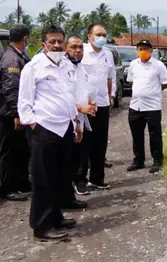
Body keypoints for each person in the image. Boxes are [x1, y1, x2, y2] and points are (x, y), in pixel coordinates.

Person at [17, 25, 88, 242]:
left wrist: (76, 122)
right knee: (43, 180)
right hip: (45, 130)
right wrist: (34, 126)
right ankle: (41, 226)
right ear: (43, 44)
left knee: (59, 177)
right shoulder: (34, 68)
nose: (56, 45)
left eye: (59, 41)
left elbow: (69, 97)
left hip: (64, 128)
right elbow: (25, 102)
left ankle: (56, 217)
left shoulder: (65, 65)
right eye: (52, 42)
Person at [75, 23, 116, 195]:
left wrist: (111, 95)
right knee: (84, 143)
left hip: (103, 104)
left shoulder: (108, 53)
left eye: (104, 34)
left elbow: (111, 76)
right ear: (89, 36)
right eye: (98, 34)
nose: (102, 37)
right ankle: (80, 180)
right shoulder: (81, 52)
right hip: (86, 105)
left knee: (100, 142)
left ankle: (97, 178)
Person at [0, 24, 32, 201]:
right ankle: (8, 188)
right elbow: (11, 88)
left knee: (21, 150)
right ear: (25, 39)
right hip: (10, 113)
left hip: (14, 112)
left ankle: (22, 182)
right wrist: (17, 114)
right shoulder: (12, 60)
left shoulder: (16, 56)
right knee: (10, 152)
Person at [126, 39, 167, 173]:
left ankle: (157, 161)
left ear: (151, 51)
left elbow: (166, 83)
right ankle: (138, 161)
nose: (143, 52)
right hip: (135, 106)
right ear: (137, 51)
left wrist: (153, 91)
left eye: (146, 49)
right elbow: (131, 80)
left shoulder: (159, 65)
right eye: (140, 49)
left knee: (155, 135)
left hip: (152, 107)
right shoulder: (133, 64)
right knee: (137, 135)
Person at [63, 34, 95, 210]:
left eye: (80, 47)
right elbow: (62, 96)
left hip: (79, 121)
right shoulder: (62, 68)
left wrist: (89, 102)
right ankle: (62, 199)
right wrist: (78, 108)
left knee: (76, 159)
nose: (77, 51)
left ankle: (69, 197)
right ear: (66, 49)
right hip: (65, 122)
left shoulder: (81, 68)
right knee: (65, 163)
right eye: (73, 47)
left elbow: (81, 91)